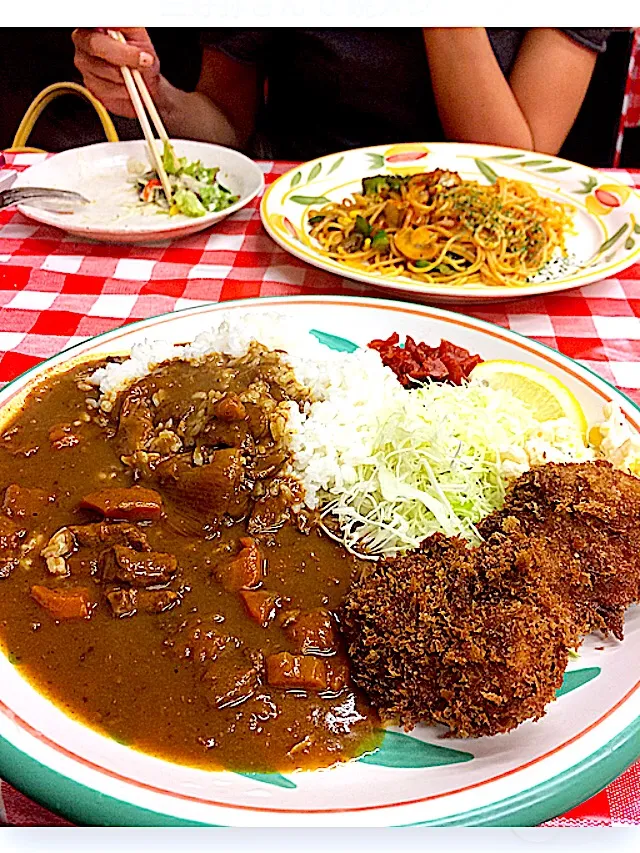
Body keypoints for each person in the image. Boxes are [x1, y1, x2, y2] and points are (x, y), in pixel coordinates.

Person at [72, 27, 613, 160]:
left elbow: (512, 165)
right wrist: (154, 94)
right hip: (298, 233)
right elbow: (225, 123)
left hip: (488, 260)